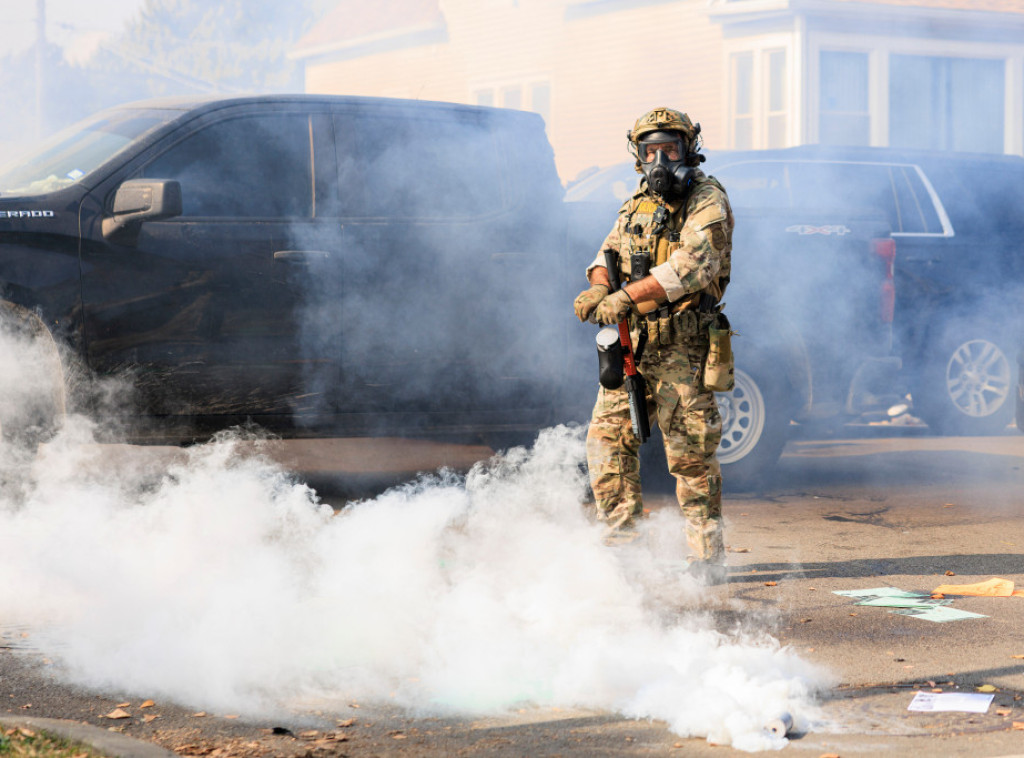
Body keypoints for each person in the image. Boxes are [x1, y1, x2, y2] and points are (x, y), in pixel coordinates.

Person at [573, 107, 734, 581]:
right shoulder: (636, 203)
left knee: (691, 458)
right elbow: (608, 252)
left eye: (670, 149)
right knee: (606, 445)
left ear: (689, 150)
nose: (660, 159)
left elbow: (692, 266)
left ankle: (706, 562)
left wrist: (625, 296)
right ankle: (624, 554)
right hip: (631, 347)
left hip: (682, 349)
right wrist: (600, 285)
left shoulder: (707, 200)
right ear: (638, 155)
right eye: (651, 151)